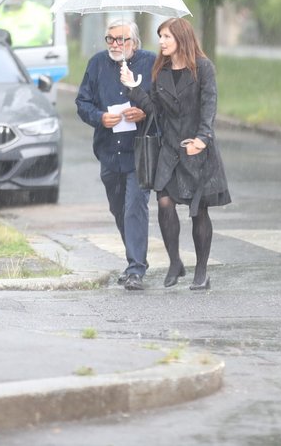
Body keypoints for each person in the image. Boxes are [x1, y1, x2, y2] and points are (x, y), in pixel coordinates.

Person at [120, 17, 230, 290]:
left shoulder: (203, 68)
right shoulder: (162, 70)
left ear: (182, 38)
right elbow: (154, 109)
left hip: (197, 149)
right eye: (160, 37)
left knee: (198, 210)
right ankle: (175, 261)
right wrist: (133, 87)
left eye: (167, 36)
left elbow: (209, 105)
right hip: (170, 150)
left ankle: (201, 272)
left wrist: (202, 138)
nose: (162, 42)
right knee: (165, 202)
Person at [76, 19, 155, 291]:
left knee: (135, 206)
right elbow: (82, 102)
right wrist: (100, 117)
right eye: (110, 39)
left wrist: (144, 110)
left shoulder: (151, 63)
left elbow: (163, 102)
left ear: (134, 41)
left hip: (140, 148)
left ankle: (136, 268)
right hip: (109, 150)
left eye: (121, 39)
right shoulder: (97, 64)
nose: (114, 45)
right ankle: (134, 259)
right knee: (119, 207)